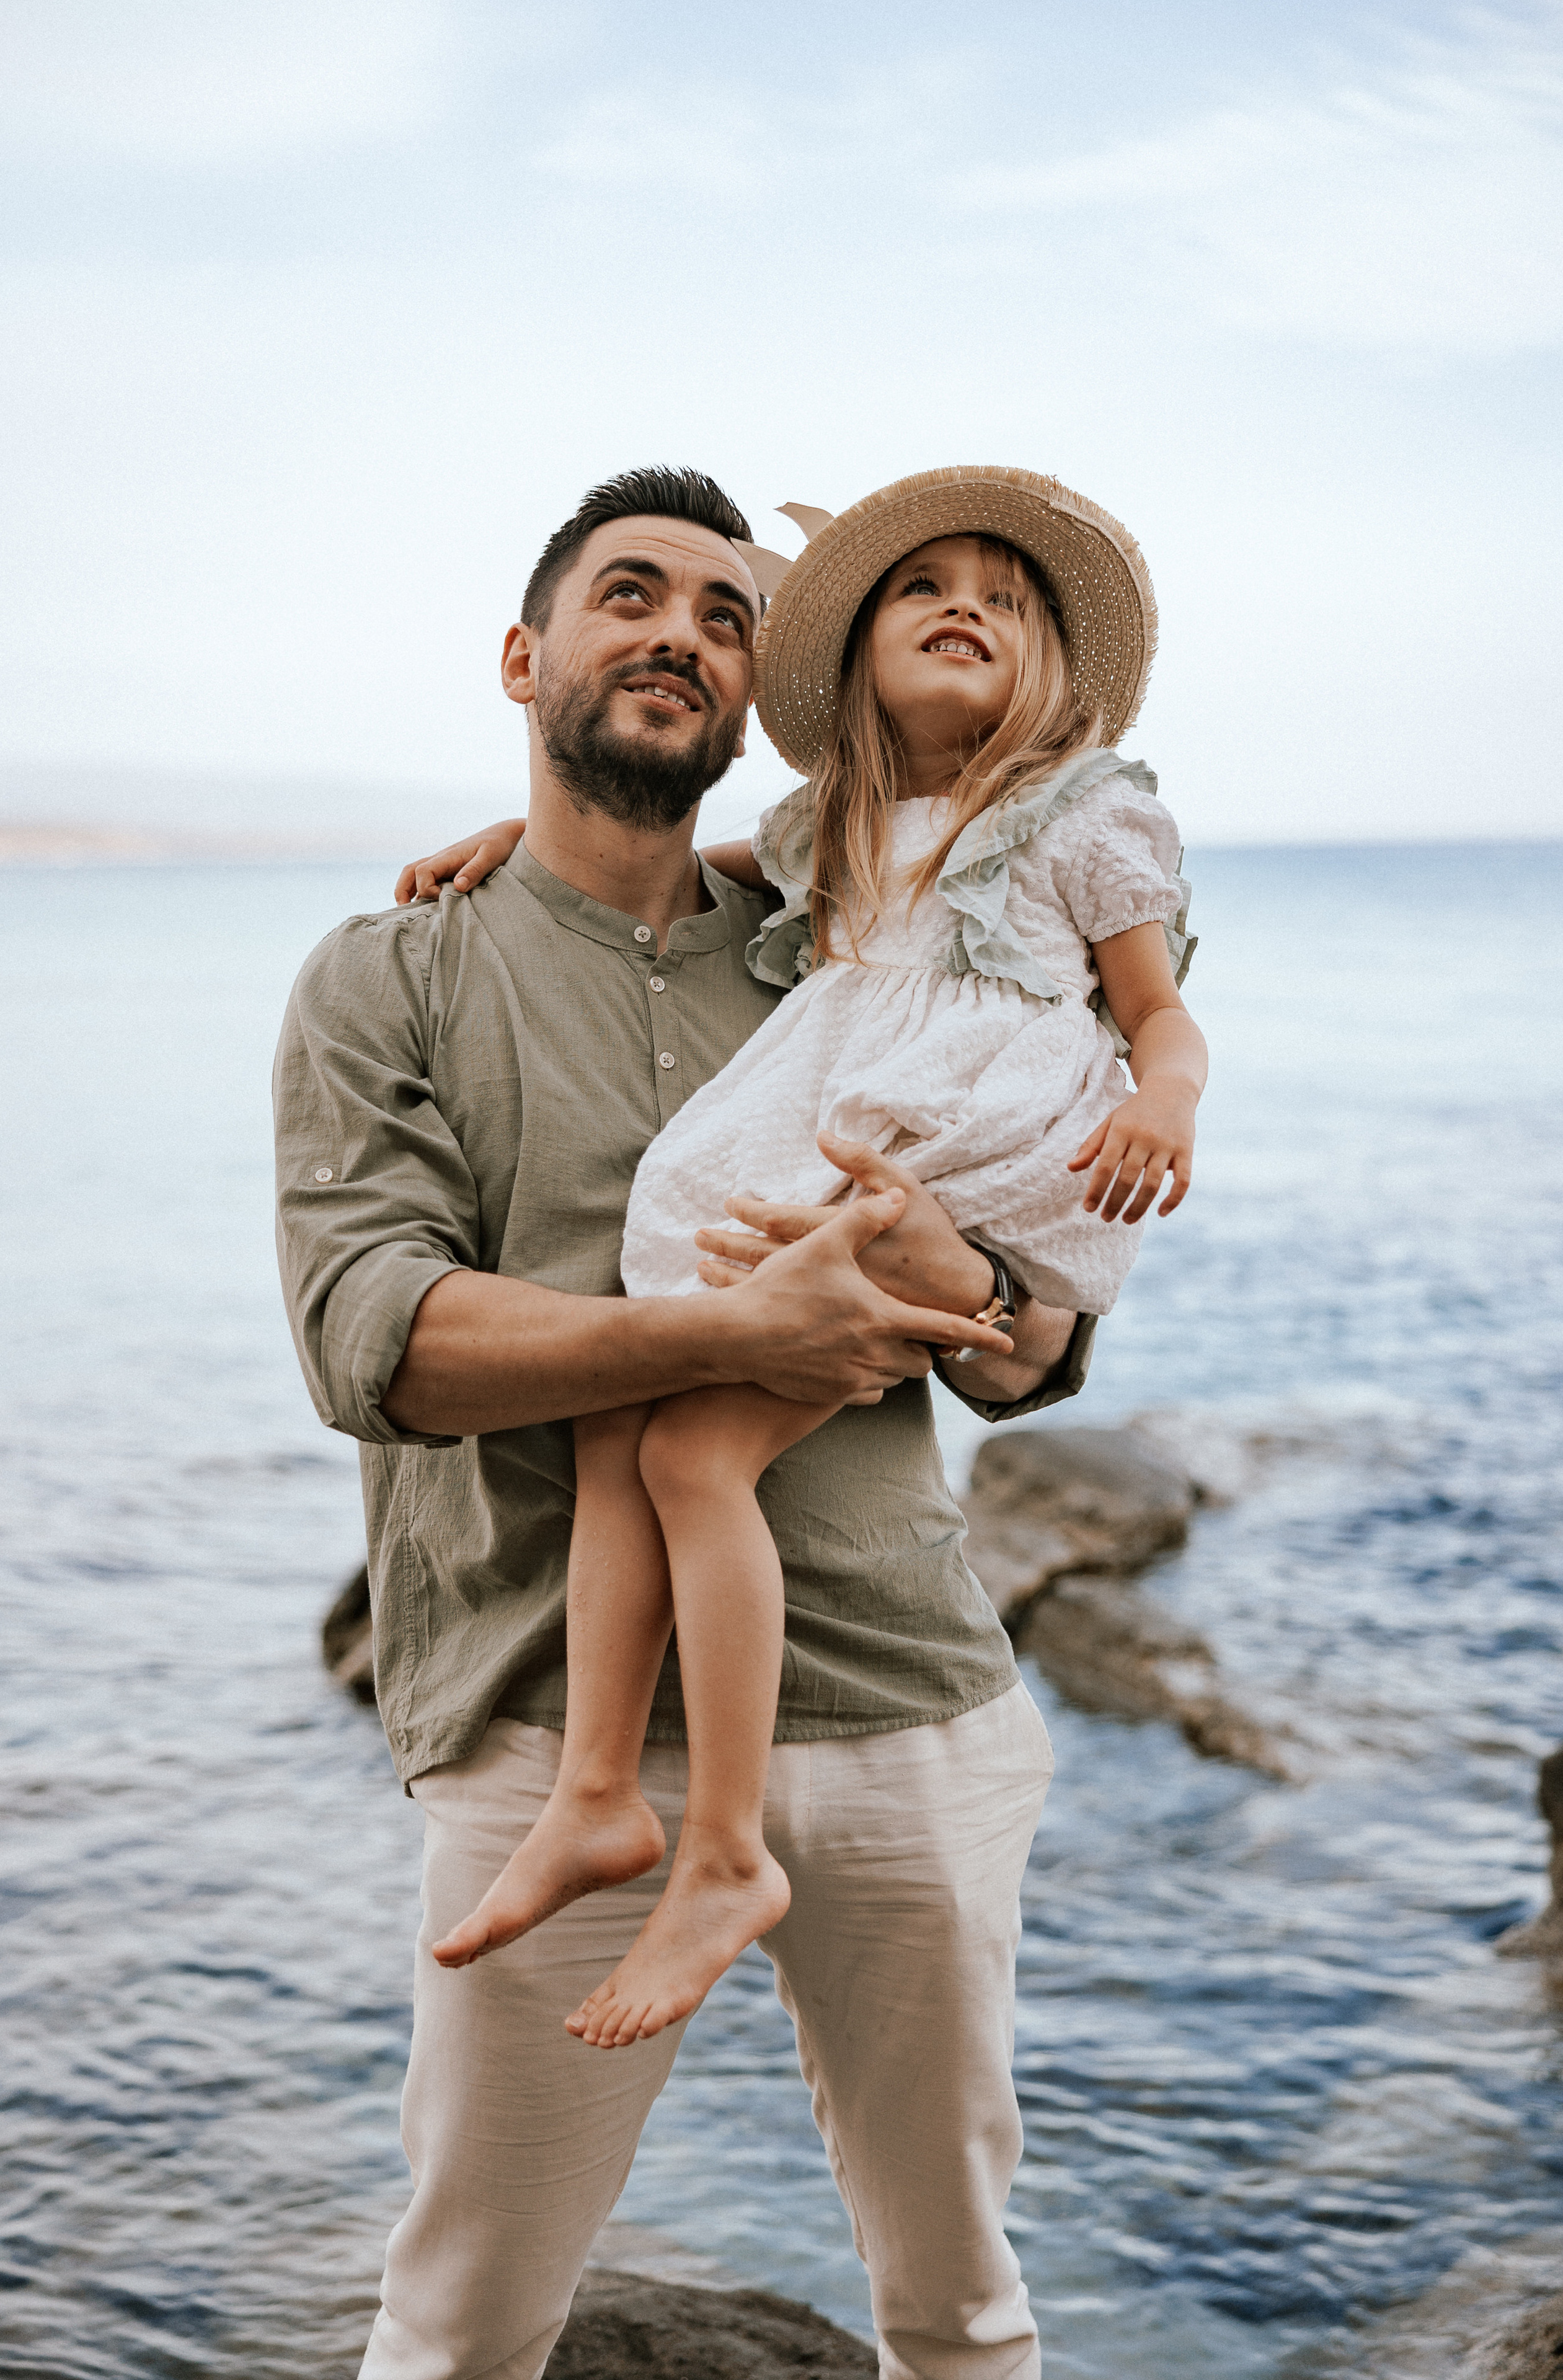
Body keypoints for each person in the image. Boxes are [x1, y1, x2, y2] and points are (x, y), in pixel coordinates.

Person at [275, 464, 1096, 2380]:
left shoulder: (858, 937)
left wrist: (972, 1296)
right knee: (463, 2322)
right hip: (554, 1740)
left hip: (913, 1704)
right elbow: (374, 1337)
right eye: (629, 596)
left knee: (966, 2313)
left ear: (767, 696)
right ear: (524, 654)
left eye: (728, 617)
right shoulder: (394, 970)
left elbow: (1034, 1342)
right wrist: (731, 1324)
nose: (679, 635)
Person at [399, 466, 1205, 2062]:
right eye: (921, 587)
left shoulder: (1086, 811)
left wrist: (1167, 1101)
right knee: (628, 1420)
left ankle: (717, 1852)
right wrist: (520, 831)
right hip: (850, 1123)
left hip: (958, 1150)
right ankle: (597, 1794)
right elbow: (680, 876)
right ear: (848, 658)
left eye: (1006, 593)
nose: (967, 603)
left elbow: (1155, 1006)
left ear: (1048, 661)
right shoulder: (826, 822)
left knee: (691, 1450)